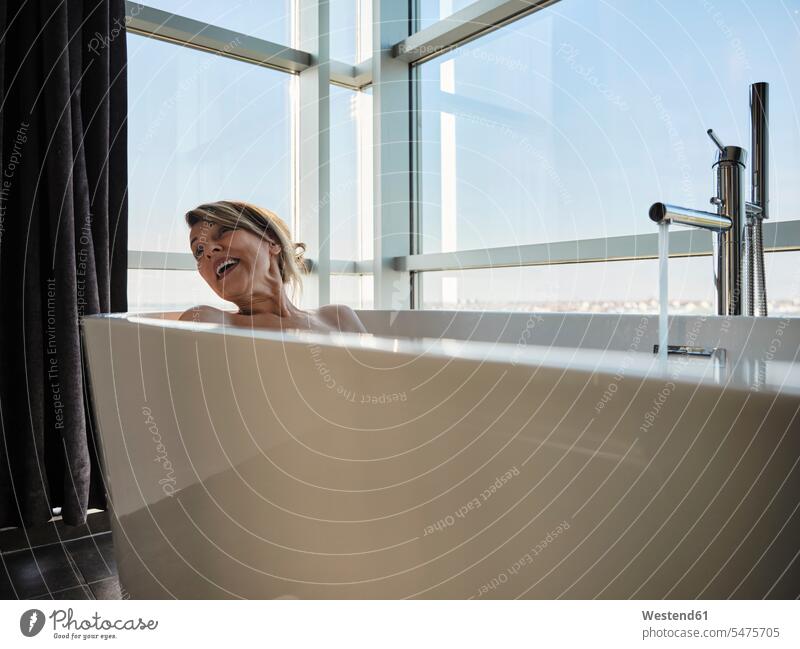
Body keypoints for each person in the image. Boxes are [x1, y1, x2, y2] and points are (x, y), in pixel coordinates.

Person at [179, 200, 367, 334]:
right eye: (199, 251)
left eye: (225, 231)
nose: (209, 250)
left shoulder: (339, 318)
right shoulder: (204, 321)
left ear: (272, 241)